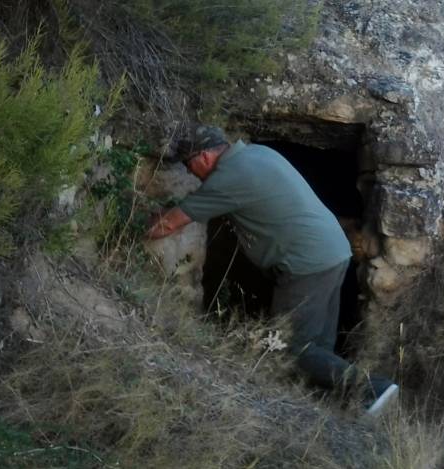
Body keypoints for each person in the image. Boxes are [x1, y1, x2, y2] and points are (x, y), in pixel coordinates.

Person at [146, 125, 398, 416]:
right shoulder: (259, 154)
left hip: (305, 264)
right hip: (333, 253)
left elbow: (167, 225)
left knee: (292, 347)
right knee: (317, 348)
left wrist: (135, 226)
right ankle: (323, 412)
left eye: (190, 168)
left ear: (203, 156)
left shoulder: (228, 176)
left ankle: (373, 388)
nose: (193, 175)